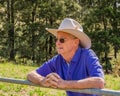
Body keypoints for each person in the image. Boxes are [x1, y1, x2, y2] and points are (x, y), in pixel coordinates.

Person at [27, 18, 105, 96]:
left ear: (75, 42)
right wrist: (42, 81)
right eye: (56, 39)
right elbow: (31, 75)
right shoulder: (58, 59)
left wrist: (65, 84)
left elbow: (99, 82)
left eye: (62, 40)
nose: (57, 43)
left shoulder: (88, 55)